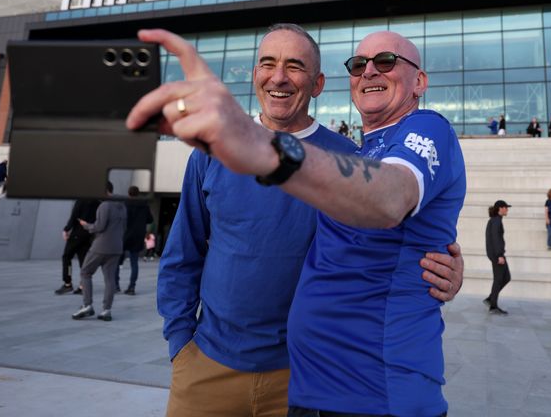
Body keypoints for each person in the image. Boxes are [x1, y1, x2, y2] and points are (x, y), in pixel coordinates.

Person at [150, 26, 463, 417]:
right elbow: (183, 251)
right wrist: (180, 340)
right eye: (268, 63)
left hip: (302, 380)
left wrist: (444, 262)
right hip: (208, 365)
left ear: (317, 85)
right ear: (255, 75)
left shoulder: (352, 159)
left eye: (294, 67)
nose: (279, 77)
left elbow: (390, 203)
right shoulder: (211, 154)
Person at [72, 181, 127, 322]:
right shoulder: (122, 206)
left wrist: (87, 226)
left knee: (85, 272)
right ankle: (106, 310)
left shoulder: (104, 205)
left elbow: (100, 226)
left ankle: (87, 305)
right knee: (110, 280)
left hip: (101, 246)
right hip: (116, 247)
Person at [54, 198, 99, 295]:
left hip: (77, 234)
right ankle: (83, 285)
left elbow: (74, 216)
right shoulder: (98, 202)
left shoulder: (81, 200)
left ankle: (67, 284)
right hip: (89, 234)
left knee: (67, 256)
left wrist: (66, 229)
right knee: (83, 260)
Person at [116, 186, 153, 295]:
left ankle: (116, 285)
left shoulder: (124, 204)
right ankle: (132, 287)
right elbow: (150, 219)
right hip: (138, 236)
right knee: (134, 263)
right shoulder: (144, 205)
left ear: (129, 193)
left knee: (117, 261)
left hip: (124, 235)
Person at [484, 200, 511, 315]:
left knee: (506, 277)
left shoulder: (495, 220)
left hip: (496, 254)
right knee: (499, 279)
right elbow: (496, 239)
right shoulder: (496, 221)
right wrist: (499, 255)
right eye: (506, 207)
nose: (507, 209)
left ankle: (491, 299)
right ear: (500, 208)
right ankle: (493, 306)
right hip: (497, 255)